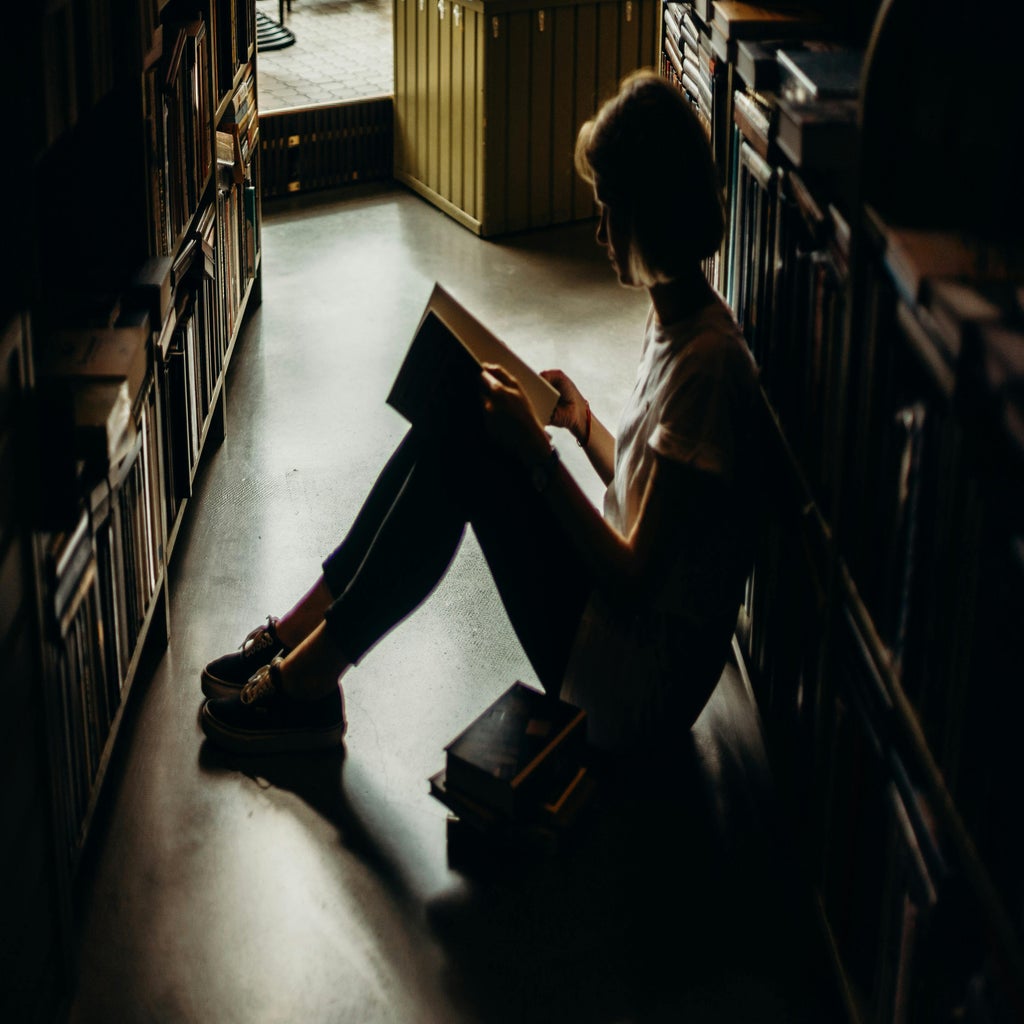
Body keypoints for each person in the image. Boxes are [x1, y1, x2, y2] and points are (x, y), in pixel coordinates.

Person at [199, 70, 761, 755]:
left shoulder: (709, 364)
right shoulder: (677, 318)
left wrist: (538, 454)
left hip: (632, 685)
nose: (598, 228)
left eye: (610, 208)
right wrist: (583, 428)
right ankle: (302, 643)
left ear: (652, 211)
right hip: (613, 630)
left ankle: (307, 674)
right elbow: (654, 500)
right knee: (458, 409)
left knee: (466, 446)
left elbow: (635, 575)